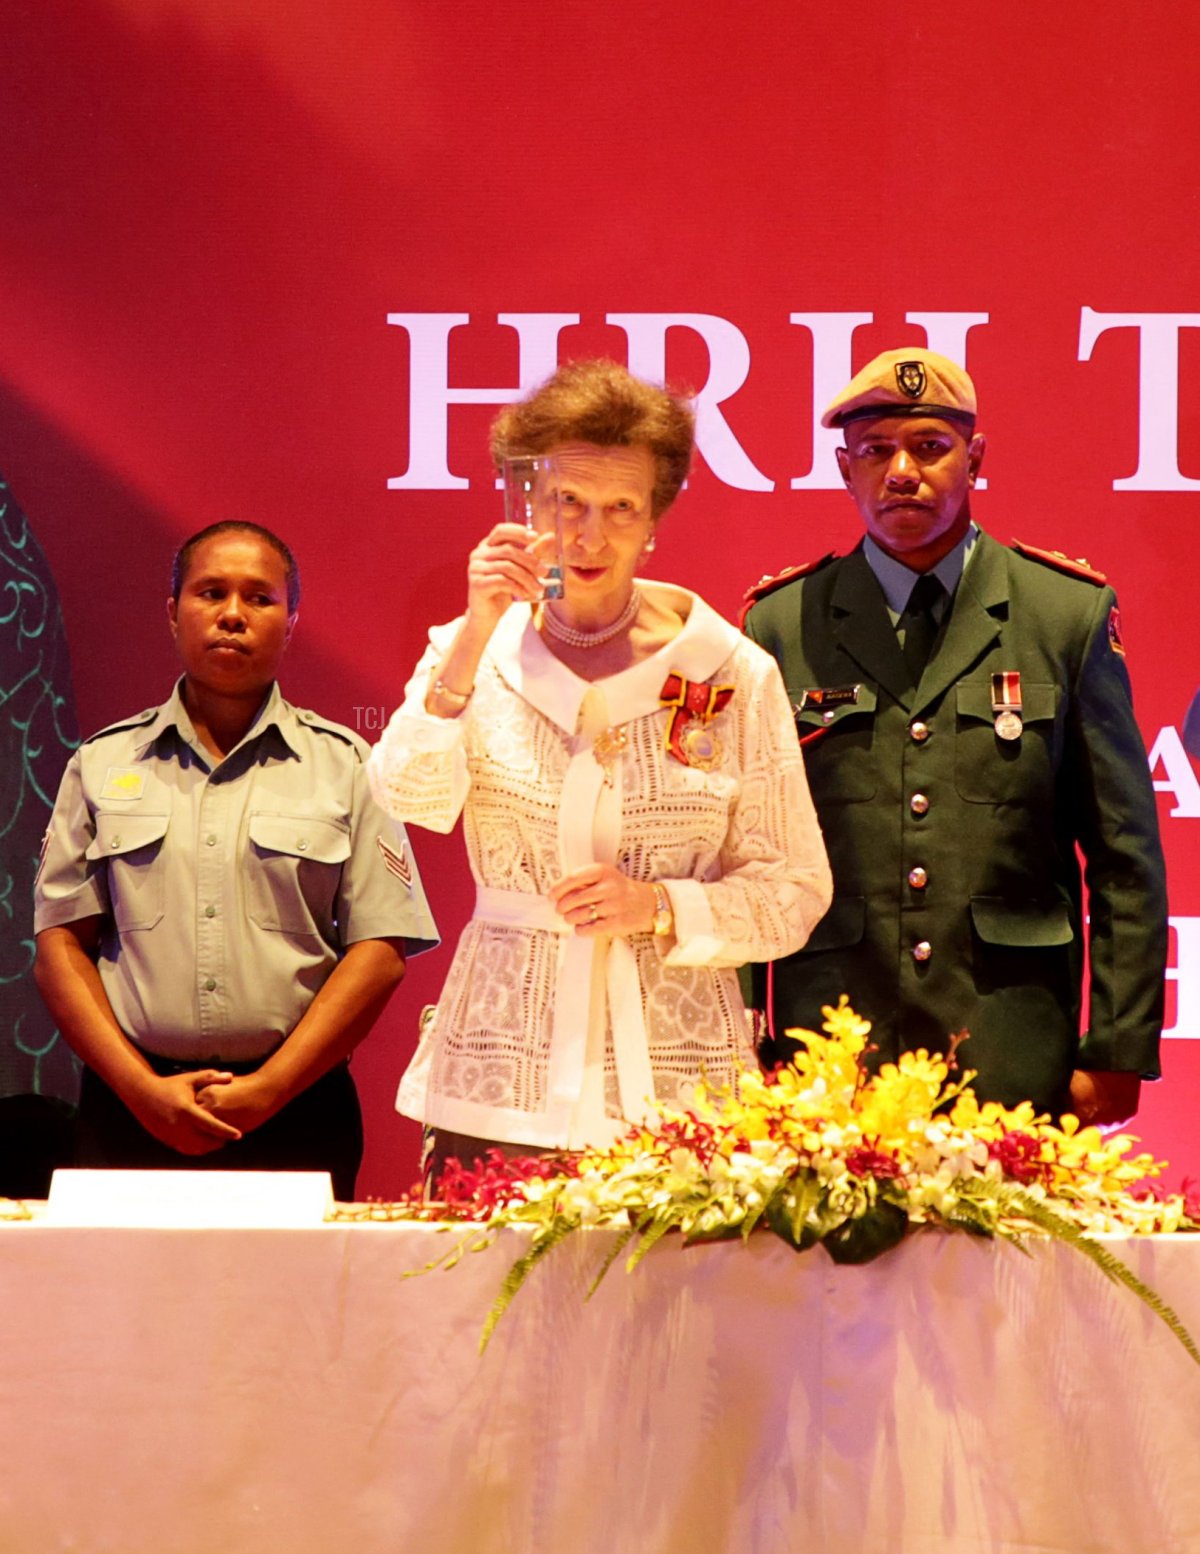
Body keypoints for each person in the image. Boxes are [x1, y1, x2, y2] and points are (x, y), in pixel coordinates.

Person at [368, 360, 832, 1178]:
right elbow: (409, 797)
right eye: (567, 503)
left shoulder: (731, 670)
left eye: (622, 508)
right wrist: (475, 635)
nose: (590, 534)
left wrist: (659, 906)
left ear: (655, 519)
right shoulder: (476, 653)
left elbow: (794, 890)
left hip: (680, 1099)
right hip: (497, 1083)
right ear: (527, 505)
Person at [741, 347, 1167, 1126]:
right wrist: (736, 1043)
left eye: (929, 447)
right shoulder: (778, 625)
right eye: (876, 452)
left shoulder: (1061, 614)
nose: (901, 470)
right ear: (844, 468)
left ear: (975, 459)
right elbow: (739, 849)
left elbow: (1123, 858)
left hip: (1012, 1050)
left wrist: (1114, 1053)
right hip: (828, 1049)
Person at [33, 521, 439, 1200]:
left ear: (291, 621)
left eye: (259, 598)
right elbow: (59, 947)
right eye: (210, 592)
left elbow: (379, 950)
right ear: (172, 613)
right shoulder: (101, 763)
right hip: (130, 1112)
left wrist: (267, 1090)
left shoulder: (347, 766)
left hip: (299, 1112)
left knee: (299, 1308)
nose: (232, 615)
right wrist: (142, 1090)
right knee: (129, 1306)